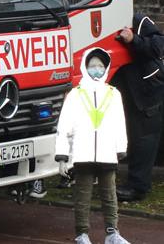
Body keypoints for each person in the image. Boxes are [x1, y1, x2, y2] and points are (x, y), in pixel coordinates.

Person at [56, 47, 130, 244]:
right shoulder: (75, 94)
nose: (96, 69)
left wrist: (120, 148)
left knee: (110, 196)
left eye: (100, 65)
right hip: (82, 154)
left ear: (105, 68)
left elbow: (120, 123)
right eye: (92, 65)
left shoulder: (113, 94)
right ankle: (82, 233)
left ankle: (112, 233)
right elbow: (64, 127)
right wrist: (63, 156)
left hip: (107, 154)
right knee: (83, 196)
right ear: (85, 67)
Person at [114, 15, 164, 202]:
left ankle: (137, 187)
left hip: (147, 88)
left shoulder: (137, 19)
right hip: (126, 88)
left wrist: (134, 39)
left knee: (144, 138)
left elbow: (159, 45)